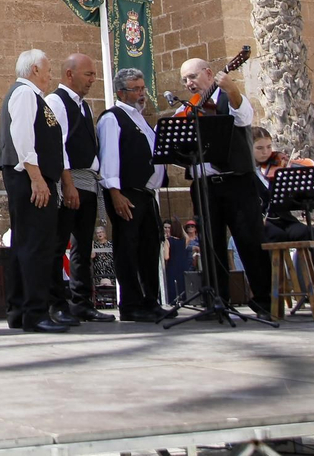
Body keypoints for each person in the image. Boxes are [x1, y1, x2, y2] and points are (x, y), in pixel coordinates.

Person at [175, 57, 272, 319]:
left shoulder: (229, 98)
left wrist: (232, 88)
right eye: (184, 80)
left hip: (235, 182)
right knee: (210, 245)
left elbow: (244, 117)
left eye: (192, 77)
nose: (188, 83)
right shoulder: (189, 107)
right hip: (204, 187)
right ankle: (216, 302)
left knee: (250, 241)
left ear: (209, 73)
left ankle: (264, 302)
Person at [0, 49, 71, 333]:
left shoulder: (31, 95)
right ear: (35, 70)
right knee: (36, 247)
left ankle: (19, 310)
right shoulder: (25, 94)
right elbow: (23, 137)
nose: (50, 75)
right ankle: (35, 313)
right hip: (29, 179)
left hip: (29, 177)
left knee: (25, 245)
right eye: (48, 69)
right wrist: (37, 178)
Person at [97, 68, 168, 322]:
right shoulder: (112, 118)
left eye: (142, 88)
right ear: (121, 92)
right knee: (128, 248)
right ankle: (130, 304)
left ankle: (151, 300)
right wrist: (115, 193)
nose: (141, 93)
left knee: (149, 246)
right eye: (135, 89)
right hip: (127, 193)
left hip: (146, 194)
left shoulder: (140, 119)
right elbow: (109, 158)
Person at [49, 53, 112, 323]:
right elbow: (58, 144)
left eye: (94, 74)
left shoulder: (84, 106)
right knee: (58, 245)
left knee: (83, 247)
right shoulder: (56, 102)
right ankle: (56, 304)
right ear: (69, 74)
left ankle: (82, 302)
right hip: (70, 182)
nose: (93, 79)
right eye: (88, 74)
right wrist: (68, 184)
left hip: (88, 182)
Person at [252, 126, 314, 309]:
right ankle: (271, 293)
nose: (266, 152)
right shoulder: (247, 173)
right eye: (260, 148)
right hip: (264, 222)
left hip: (284, 219)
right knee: (277, 237)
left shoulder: (279, 167)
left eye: (269, 147)